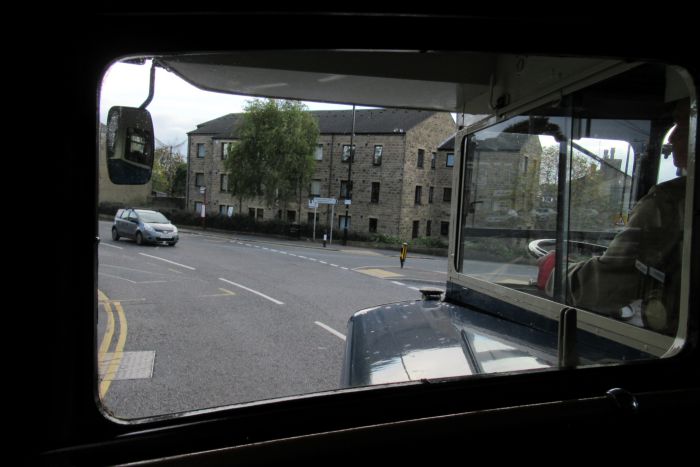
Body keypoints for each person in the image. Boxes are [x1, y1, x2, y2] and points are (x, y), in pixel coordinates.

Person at [547, 98, 690, 335]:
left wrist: (555, 272)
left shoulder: (667, 202)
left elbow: (607, 282)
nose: (672, 137)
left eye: (683, 126)